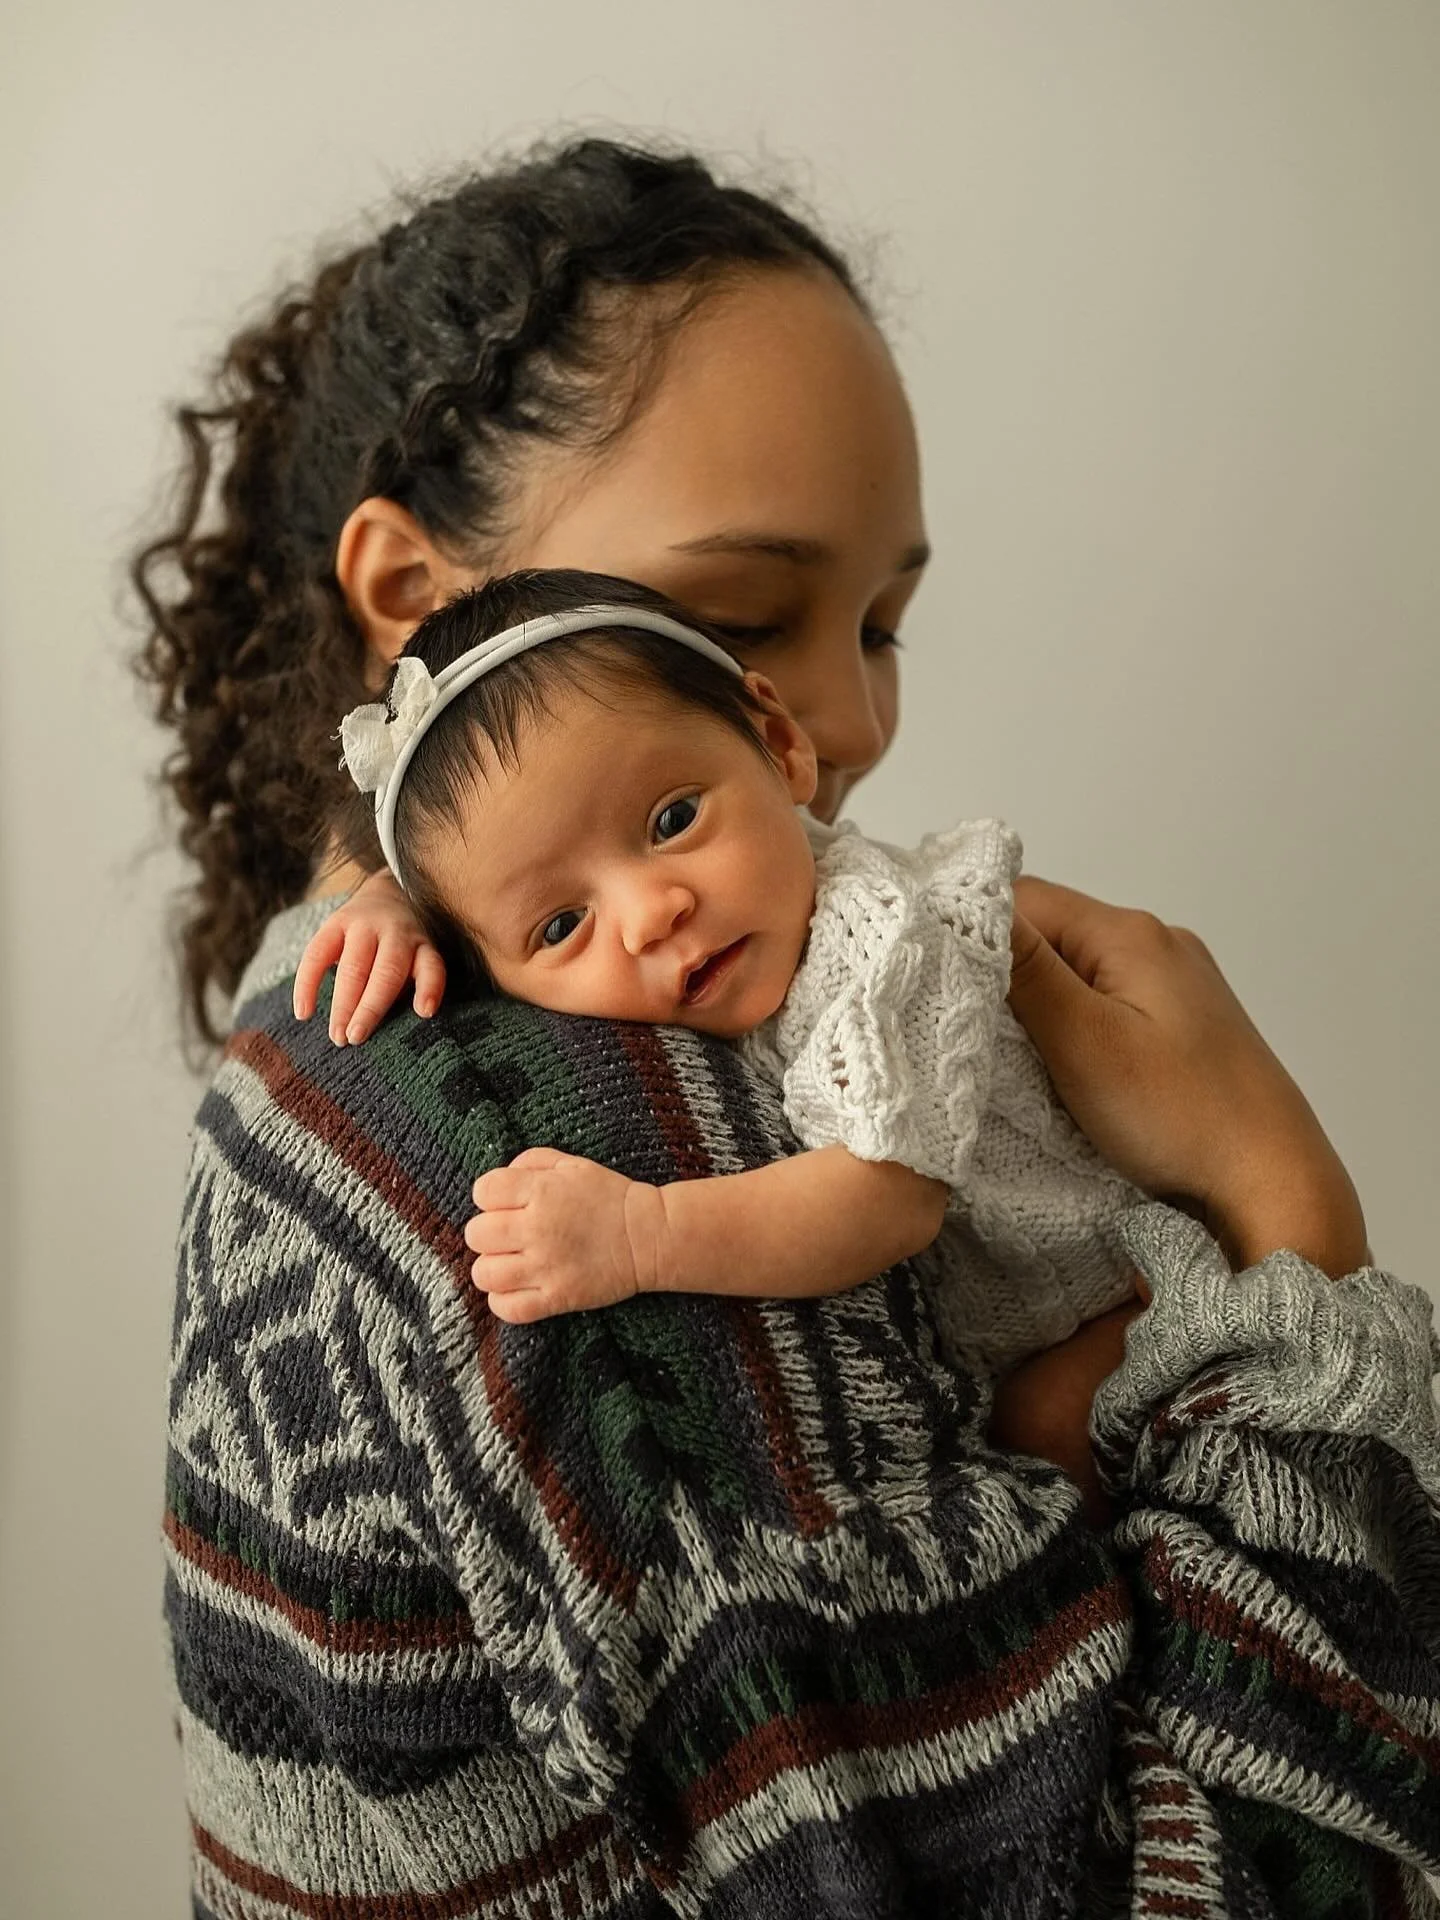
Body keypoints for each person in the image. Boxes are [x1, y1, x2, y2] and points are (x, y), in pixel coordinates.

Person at [136, 138, 1439, 1916]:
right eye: (740, 613)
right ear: (418, 608)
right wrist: (1290, 1220)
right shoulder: (583, 1153)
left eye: (883, 622)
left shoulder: (342, 1048)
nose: (833, 716)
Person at [299, 566, 1146, 1377]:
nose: (649, 914)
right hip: (1005, 1334)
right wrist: (393, 906)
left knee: (1049, 1431)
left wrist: (644, 1232)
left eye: (673, 818)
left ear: (779, 747)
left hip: (1105, 1287)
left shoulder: (880, 935)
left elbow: (887, 1197)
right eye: (562, 924)